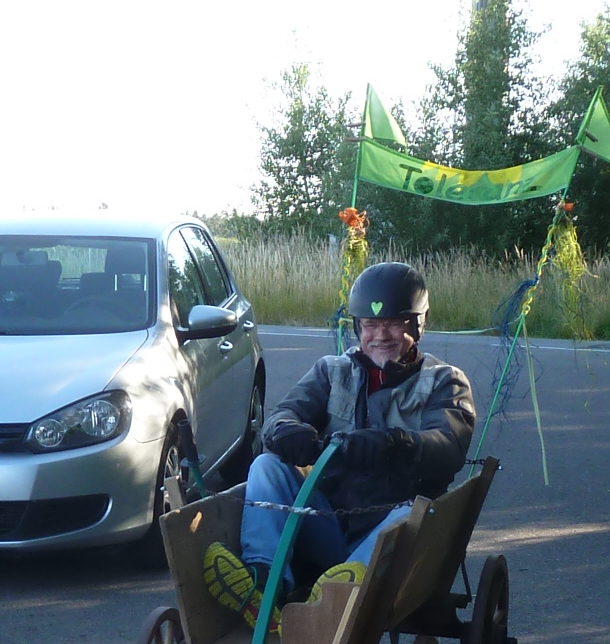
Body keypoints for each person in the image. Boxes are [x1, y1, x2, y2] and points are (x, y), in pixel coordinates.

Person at [202, 259, 477, 618]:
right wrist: (287, 432)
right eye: (370, 325)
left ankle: (337, 596)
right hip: (331, 523)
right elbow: (283, 416)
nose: (380, 335)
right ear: (358, 327)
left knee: (413, 512)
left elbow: (449, 444)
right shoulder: (332, 371)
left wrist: (396, 443)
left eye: (393, 324)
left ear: (417, 325)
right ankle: (264, 583)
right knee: (267, 465)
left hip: (391, 535)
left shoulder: (444, 380)